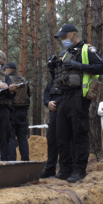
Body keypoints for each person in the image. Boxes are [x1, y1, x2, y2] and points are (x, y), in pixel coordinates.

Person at [48, 23, 103, 182]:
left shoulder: (87, 50)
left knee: (79, 134)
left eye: (64, 36)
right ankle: (65, 169)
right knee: (62, 135)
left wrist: (79, 65)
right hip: (63, 97)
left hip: (79, 97)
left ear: (73, 34)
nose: (62, 40)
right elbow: (60, 77)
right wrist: (52, 68)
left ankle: (79, 170)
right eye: (61, 38)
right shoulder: (64, 53)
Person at [41, 50, 66, 178]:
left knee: (64, 140)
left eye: (63, 59)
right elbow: (46, 93)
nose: (60, 62)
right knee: (51, 140)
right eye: (59, 59)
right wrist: (48, 103)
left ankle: (64, 169)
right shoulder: (53, 79)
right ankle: (50, 168)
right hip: (54, 113)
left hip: (66, 113)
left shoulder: (70, 76)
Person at [5, 62, 30, 161]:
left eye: (5, 69)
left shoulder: (7, 80)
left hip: (11, 110)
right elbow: (29, 95)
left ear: (9, 70)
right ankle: (25, 160)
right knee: (22, 137)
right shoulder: (24, 80)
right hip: (22, 111)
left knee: (11, 137)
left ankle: (12, 160)